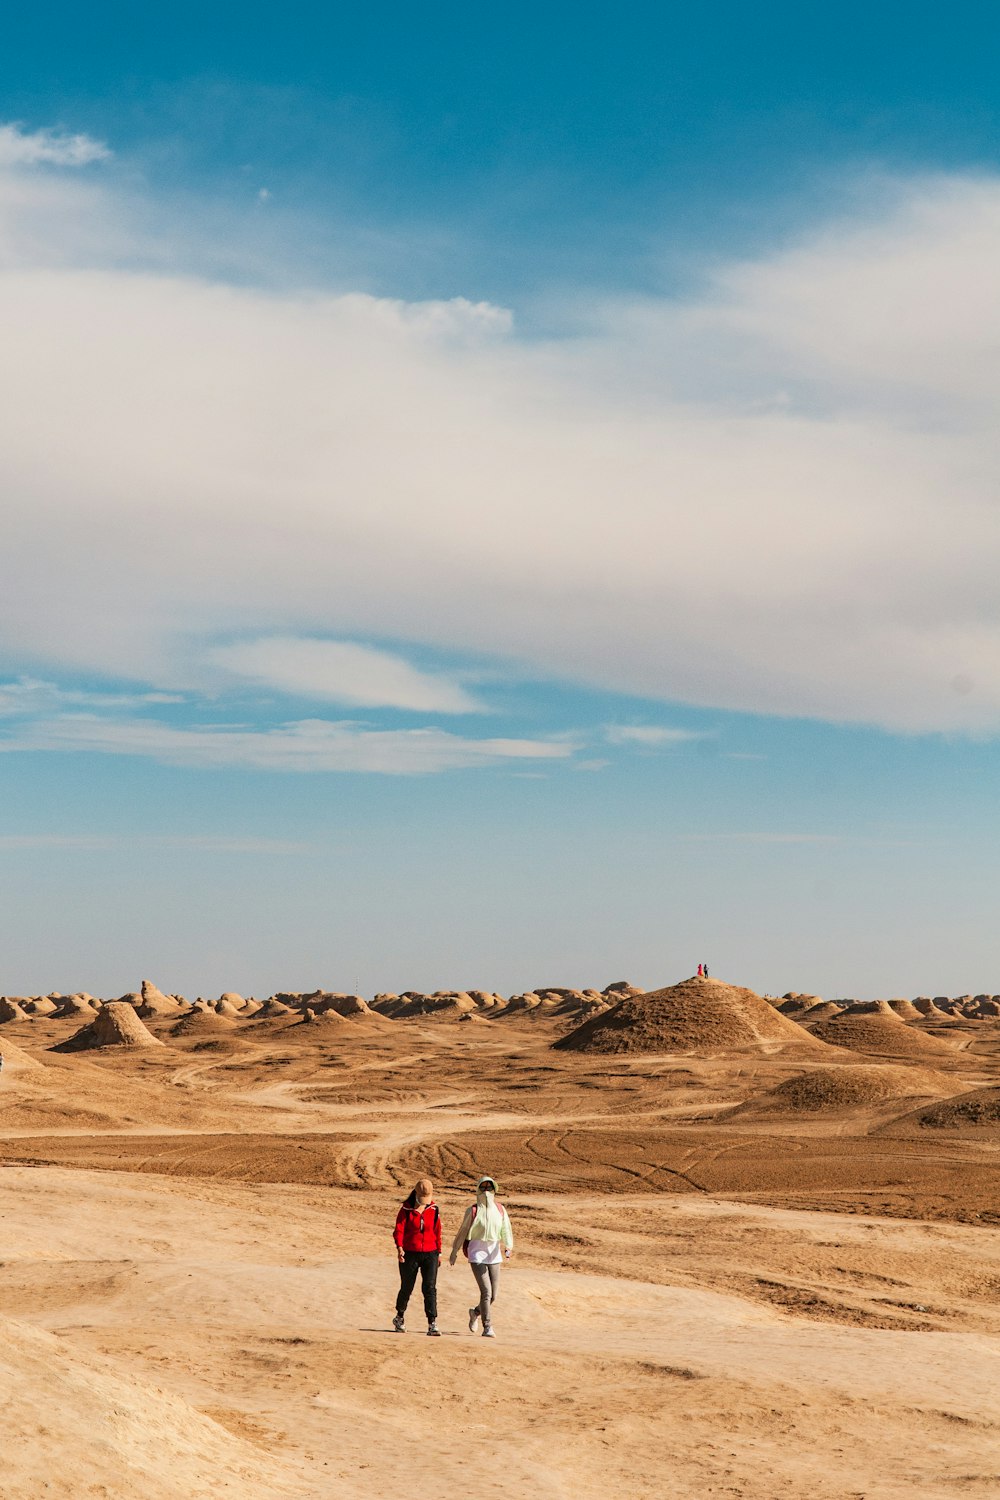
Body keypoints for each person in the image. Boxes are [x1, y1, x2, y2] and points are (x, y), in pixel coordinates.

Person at [449, 1175, 514, 1338]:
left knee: (493, 1295)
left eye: (489, 1188)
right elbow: (463, 1231)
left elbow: (506, 1228)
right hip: (476, 1253)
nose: (486, 1191)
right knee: (486, 1291)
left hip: (494, 1254)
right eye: (483, 1188)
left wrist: (508, 1246)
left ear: (494, 1190)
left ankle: (475, 1312)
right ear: (478, 1189)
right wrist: (454, 1251)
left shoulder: (500, 1209)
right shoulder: (472, 1210)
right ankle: (487, 1326)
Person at [392, 1177, 442, 1336]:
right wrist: (400, 1248)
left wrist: (439, 1252)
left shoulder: (434, 1210)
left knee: (429, 1287)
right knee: (407, 1286)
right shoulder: (405, 1210)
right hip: (409, 1253)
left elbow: (437, 1232)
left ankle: (432, 1323)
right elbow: (398, 1230)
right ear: (415, 1194)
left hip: (430, 1253)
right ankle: (399, 1317)